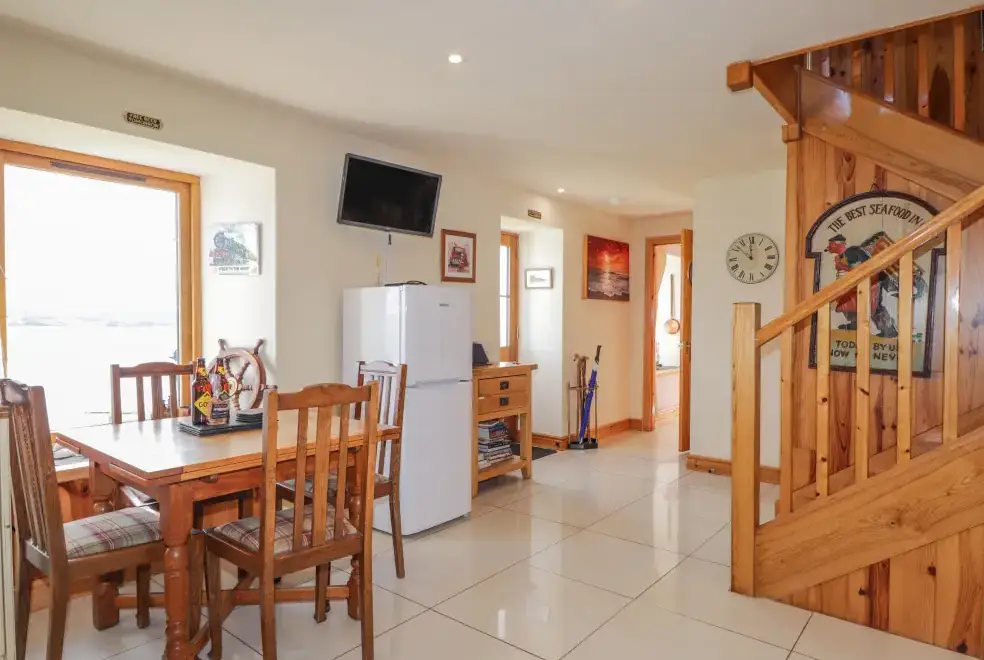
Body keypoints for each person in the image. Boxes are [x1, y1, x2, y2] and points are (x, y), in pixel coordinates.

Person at [826, 234, 898, 338]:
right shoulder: (844, 254)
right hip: (859, 284)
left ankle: (888, 329)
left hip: (870, 283)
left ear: (836, 244)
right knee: (850, 304)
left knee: (873, 306)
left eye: (830, 244)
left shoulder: (851, 253)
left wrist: (843, 269)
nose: (828, 247)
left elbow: (859, 270)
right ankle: (855, 324)